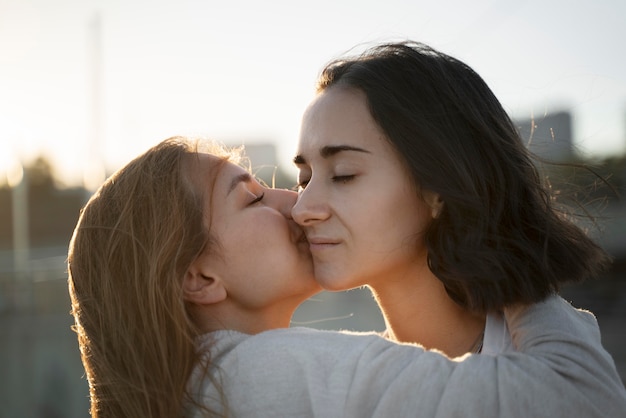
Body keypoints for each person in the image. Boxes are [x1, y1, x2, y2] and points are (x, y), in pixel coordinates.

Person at [68, 136, 626, 417]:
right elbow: (582, 396)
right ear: (200, 276)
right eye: (254, 197)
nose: (297, 202)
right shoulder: (261, 374)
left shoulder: (215, 386)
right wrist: (513, 263)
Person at [292, 41, 614, 357]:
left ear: (438, 190)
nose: (302, 209)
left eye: (343, 174)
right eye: (303, 180)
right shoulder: (350, 378)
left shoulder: (553, 371)